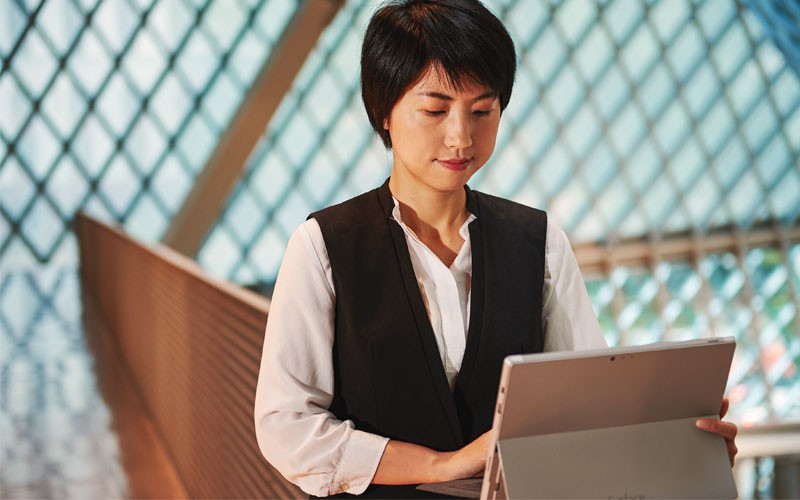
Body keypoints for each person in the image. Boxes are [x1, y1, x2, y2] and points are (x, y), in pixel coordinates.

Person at [254, 1, 738, 498]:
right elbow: (287, 426)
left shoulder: (540, 241)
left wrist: (675, 450)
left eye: (482, 110)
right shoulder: (323, 246)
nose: (461, 137)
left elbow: (586, 410)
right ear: (383, 111)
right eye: (434, 110)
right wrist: (445, 465)